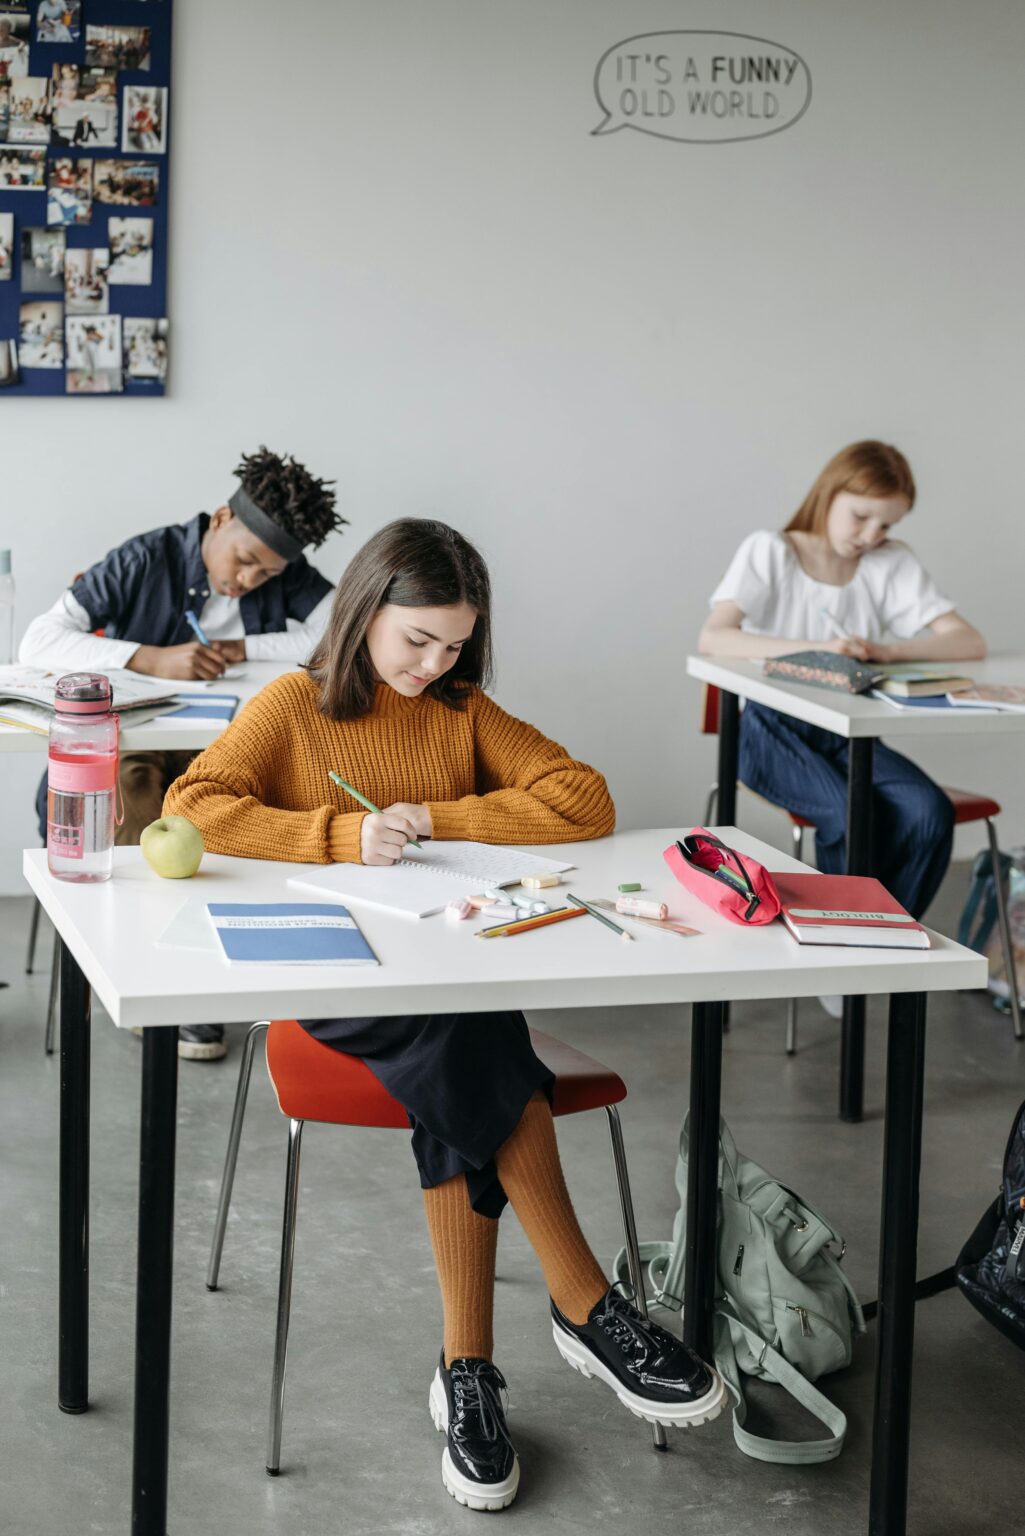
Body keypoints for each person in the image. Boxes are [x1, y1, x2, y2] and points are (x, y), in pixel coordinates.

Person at [163, 518, 726, 1510]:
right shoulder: (294, 704)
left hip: (436, 987)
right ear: (363, 614)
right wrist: (338, 835)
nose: (435, 664)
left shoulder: (460, 709)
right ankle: (583, 1303)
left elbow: (580, 799)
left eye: (456, 645)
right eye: (416, 640)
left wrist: (431, 818)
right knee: (472, 1034)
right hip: (334, 986)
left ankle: (468, 1370)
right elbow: (197, 802)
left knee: (460, 1034)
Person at [20, 447, 345, 1060]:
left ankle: (221, 973)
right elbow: (37, 641)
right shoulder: (147, 556)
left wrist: (243, 647)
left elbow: (343, 632)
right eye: (245, 561)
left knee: (241, 804)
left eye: (266, 576)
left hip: (215, 748)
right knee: (140, 801)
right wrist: (146, 657)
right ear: (221, 518)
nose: (248, 580)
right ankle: (157, 980)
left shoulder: (284, 570)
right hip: (132, 747)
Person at [699, 439, 986, 941]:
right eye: (860, 517)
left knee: (929, 810)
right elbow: (714, 636)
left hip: (847, 734)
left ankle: (877, 938)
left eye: (887, 525)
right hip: (769, 730)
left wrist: (884, 651)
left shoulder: (890, 562)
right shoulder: (773, 550)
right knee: (849, 811)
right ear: (829, 494)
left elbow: (969, 641)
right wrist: (820, 648)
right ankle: (840, 943)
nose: (871, 535)